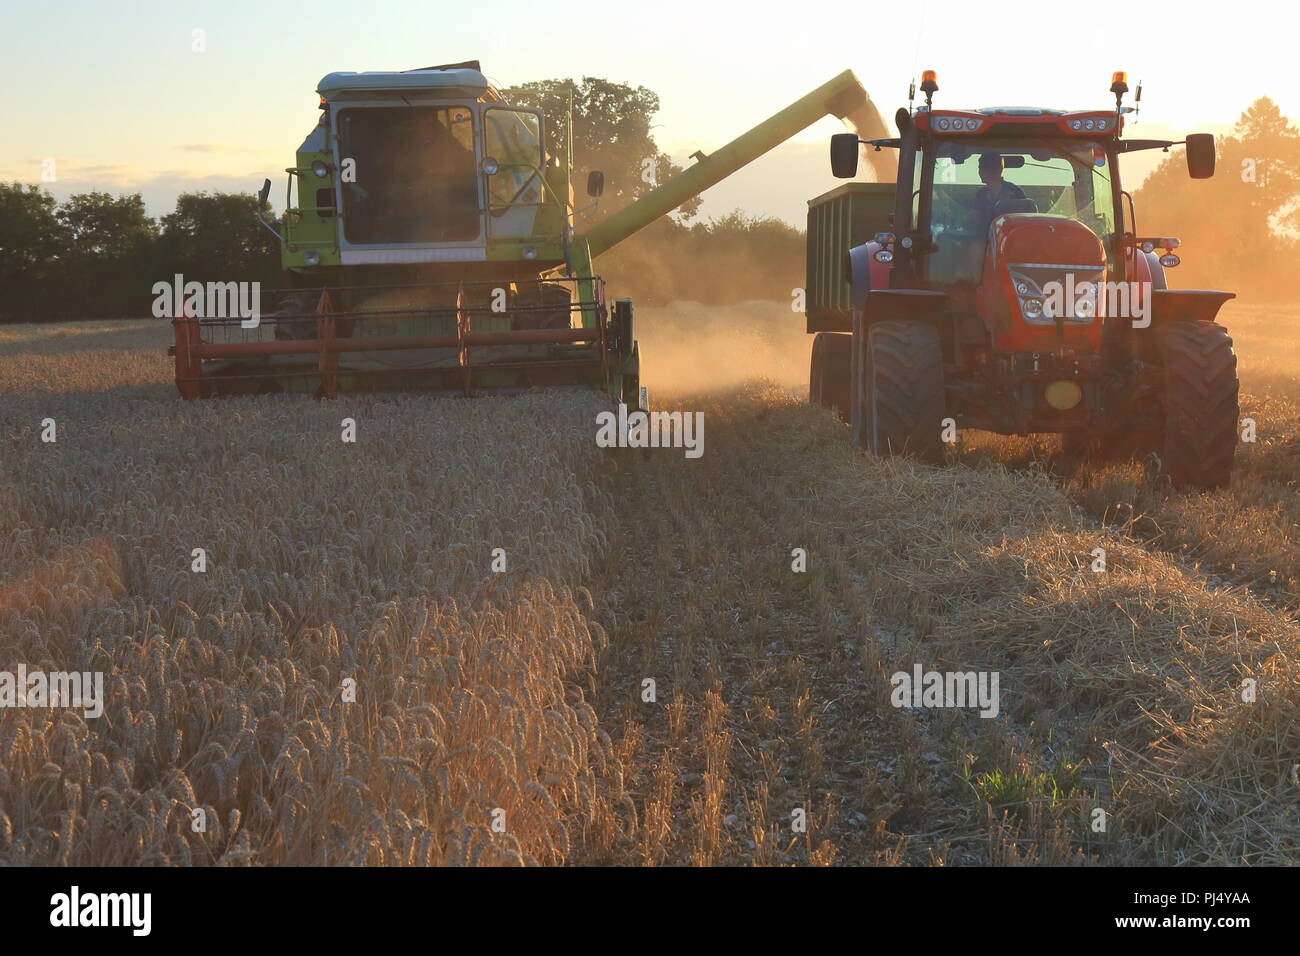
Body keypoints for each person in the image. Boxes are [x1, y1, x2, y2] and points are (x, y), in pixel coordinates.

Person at [970, 152, 1028, 231]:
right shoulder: (981, 194)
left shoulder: (1016, 193)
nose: (979, 172)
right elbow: (973, 221)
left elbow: (1023, 223)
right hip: (984, 238)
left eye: (980, 168)